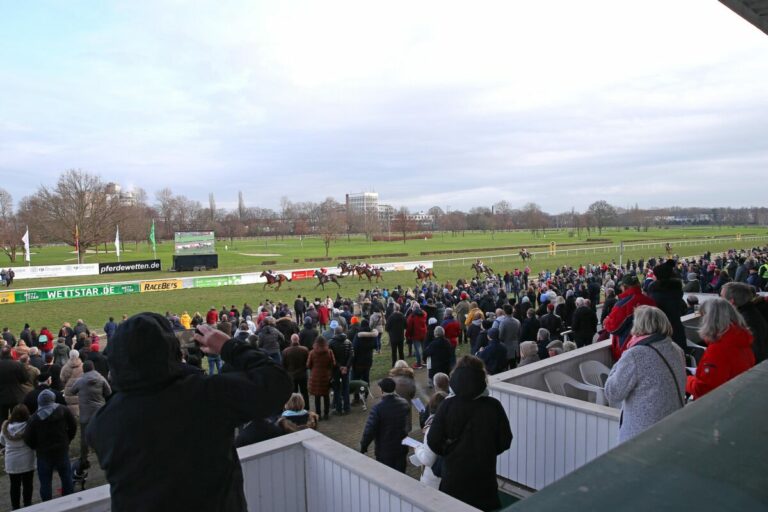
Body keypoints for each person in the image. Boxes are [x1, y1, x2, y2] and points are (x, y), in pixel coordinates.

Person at [87, 313, 292, 512]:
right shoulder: (205, 394)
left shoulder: (101, 423)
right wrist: (228, 346)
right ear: (174, 351)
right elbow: (277, 383)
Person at [427, 355, 513, 511]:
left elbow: (433, 441)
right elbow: (505, 440)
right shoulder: (493, 406)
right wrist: (486, 449)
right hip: (484, 476)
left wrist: (450, 450)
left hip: (454, 476)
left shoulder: (447, 406)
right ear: (482, 379)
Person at [604, 306, 686, 443]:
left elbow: (612, 392)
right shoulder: (676, 349)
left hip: (642, 436)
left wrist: (622, 358)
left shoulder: (635, 354)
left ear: (639, 326)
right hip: (671, 429)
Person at [686, 298, 755, 400]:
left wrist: (686, 380)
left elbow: (704, 390)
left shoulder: (719, 350)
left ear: (709, 319)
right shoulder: (741, 341)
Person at [24, 389, 77, 501]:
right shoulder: (63, 410)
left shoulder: (34, 418)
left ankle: (47, 506)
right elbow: (73, 426)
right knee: (66, 478)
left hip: (44, 454)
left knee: (45, 483)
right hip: (62, 449)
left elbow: (28, 438)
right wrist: (68, 439)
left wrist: (36, 447)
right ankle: (70, 502)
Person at [360, 377, 410, 472]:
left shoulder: (377, 409)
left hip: (385, 451)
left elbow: (370, 430)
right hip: (401, 449)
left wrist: (364, 445)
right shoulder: (404, 403)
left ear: (382, 390)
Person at [69, 360, 112, 470]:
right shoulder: (101, 378)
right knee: (103, 434)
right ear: (93, 368)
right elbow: (108, 392)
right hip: (99, 411)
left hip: (85, 413)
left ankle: (84, 459)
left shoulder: (80, 381)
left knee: (84, 438)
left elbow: (72, 391)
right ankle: (107, 454)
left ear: (84, 369)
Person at [603, 275, 657, 360]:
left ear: (624, 287)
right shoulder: (650, 301)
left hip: (628, 349)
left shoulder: (622, 304)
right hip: (650, 346)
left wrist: (606, 321)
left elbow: (612, 328)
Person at [646, 259, 688, 354]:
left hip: (662, 335)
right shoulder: (676, 291)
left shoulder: (656, 294)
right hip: (677, 331)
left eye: (654, 276)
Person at [721, 282, 768, 363]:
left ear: (731, 301)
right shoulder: (750, 311)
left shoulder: (746, 320)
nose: (720, 299)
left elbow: (756, 352)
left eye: (722, 296)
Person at [409, 391, 447, 489]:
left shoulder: (432, 429)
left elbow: (428, 459)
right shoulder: (455, 422)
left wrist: (418, 448)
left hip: (434, 479)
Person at [1, 404, 36, 510]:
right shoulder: (29, 426)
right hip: (27, 459)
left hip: (12, 461)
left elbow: (2, 441)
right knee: (28, 484)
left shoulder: (5, 427)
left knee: (14, 485)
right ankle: (27, 505)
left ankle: (15, 507)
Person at [307, 336, 335, 421]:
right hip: (326, 376)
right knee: (326, 396)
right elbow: (333, 363)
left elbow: (308, 365)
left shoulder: (312, 352)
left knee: (317, 397)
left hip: (315, 376)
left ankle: (318, 414)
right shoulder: (329, 352)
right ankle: (326, 414)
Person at [282, 334, 310, 407]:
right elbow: (308, 363)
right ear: (298, 340)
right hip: (303, 375)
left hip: (292, 375)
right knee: (305, 392)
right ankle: (306, 408)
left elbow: (283, 365)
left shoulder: (286, 351)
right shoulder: (305, 349)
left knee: (293, 394)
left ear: (291, 340)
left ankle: (294, 408)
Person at [0, 348, 27, 420]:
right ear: (11, 353)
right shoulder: (18, 365)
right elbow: (24, 379)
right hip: (16, 394)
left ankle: (2, 430)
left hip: (2, 395)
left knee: (2, 417)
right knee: (16, 417)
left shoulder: (17, 364)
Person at [406, 304, 428, 368]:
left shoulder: (412, 316)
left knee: (417, 349)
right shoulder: (424, 313)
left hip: (416, 334)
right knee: (424, 348)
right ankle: (425, 361)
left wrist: (407, 335)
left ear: (414, 308)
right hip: (424, 332)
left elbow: (409, 327)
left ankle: (418, 364)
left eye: (412, 307)